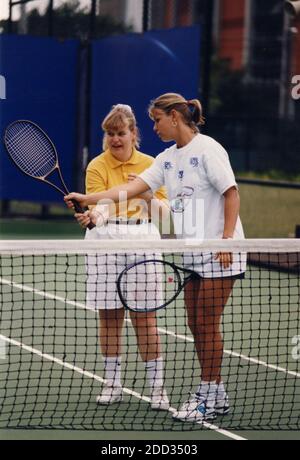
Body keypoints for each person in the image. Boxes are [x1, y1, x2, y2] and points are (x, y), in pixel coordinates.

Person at [65, 93, 246, 423]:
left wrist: (227, 240)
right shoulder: (166, 159)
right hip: (193, 252)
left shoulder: (208, 149)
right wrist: (85, 198)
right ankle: (216, 393)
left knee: (206, 323)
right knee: (196, 323)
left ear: (175, 117)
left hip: (221, 251)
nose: (153, 127)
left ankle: (207, 394)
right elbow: (126, 192)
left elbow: (231, 192)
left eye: (156, 120)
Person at [72, 104, 170, 411]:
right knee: (110, 318)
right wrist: (92, 218)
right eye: (111, 134)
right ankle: (112, 384)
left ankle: (157, 390)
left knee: (146, 319)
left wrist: (145, 194)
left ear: (133, 134)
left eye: (121, 133)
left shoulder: (153, 164)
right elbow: (100, 206)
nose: (116, 139)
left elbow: (165, 217)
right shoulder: (97, 166)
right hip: (105, 243)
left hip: (143, 239)